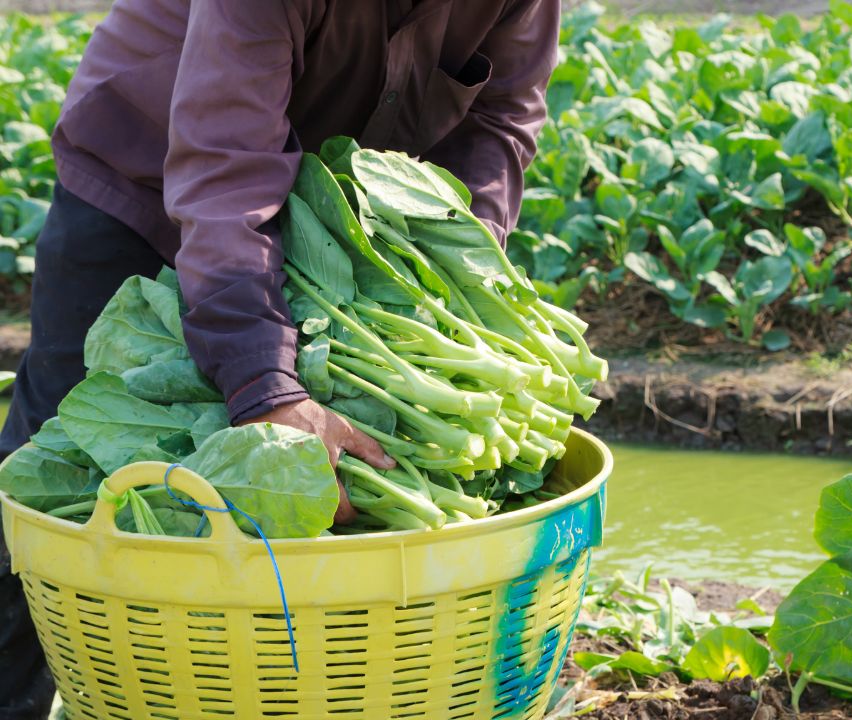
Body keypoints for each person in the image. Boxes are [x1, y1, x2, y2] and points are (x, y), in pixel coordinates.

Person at [0, 0, 560, 716]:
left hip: (327, 219)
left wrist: (446, 281)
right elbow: (225, 175)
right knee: (51, 471)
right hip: (142, 181)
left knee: (321, 495)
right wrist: (269, 391)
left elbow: (500, 120)